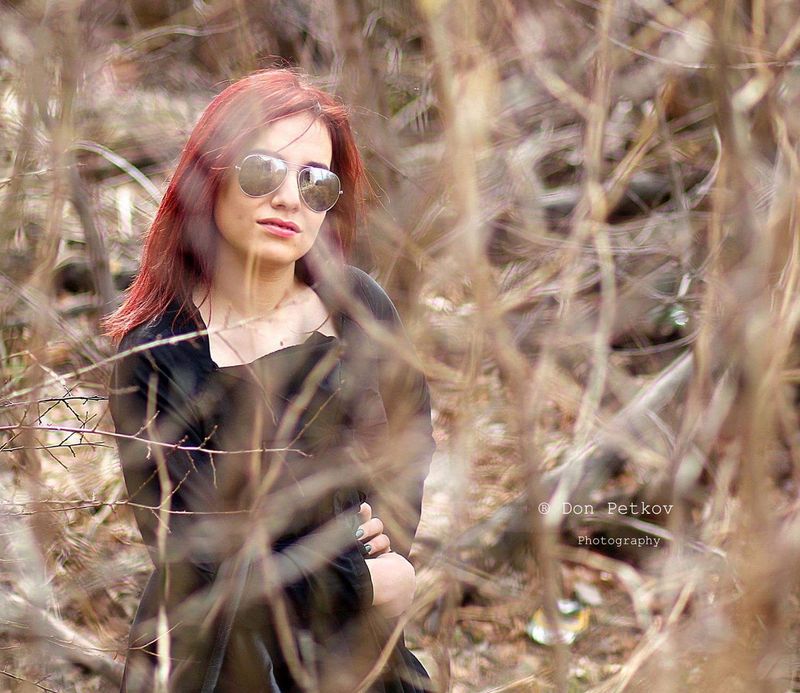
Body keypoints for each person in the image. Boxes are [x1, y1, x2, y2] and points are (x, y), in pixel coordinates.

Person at [102, 68, 436, 692]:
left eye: (316, 183)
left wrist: (389, 540)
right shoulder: (154, 349)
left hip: (350, 652)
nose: (289, 199)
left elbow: (410, 434)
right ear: (210, 177)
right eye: (263, 171)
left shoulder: (358, 306)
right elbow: (199, 557)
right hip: (215, 657)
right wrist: (359, 582)